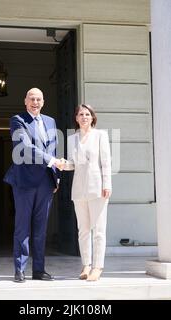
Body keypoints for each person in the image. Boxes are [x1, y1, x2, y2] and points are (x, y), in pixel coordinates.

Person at [3, 88, 64, 283]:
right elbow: (25, 148)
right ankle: (19, 270)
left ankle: (38, 270)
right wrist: (52, 161)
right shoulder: (18, 120)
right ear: (25, 101)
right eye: (31, 99)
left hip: (46, 182)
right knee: (22, 227)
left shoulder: (50, 121)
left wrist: (56, 176)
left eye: (38, 99)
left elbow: (54, 148)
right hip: (24, 181)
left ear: (43, 102)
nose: (35, 102)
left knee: (40, 228)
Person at [63, 104, 112, 281]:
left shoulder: (100, 136)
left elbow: (106, 162)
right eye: (80, 114)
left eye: (87, 114)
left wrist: (107, 184)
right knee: (83, 230)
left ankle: (98, 267)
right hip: (79, 189)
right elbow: (72, 164)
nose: (84, 117)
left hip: (97, 187)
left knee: (99, 230)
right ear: (76, 118)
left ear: (92, 118)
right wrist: (62, 164)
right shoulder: (72, 139)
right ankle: (86, 265)